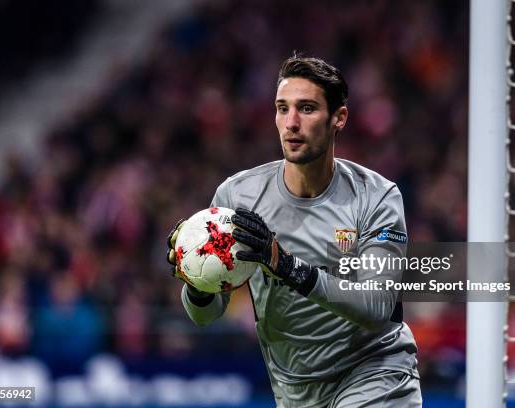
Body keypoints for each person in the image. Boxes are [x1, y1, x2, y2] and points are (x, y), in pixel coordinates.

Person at [167, 55, 421, 407]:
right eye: (282, 109)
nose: (291, 123)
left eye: (306, 108)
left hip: (375, 371)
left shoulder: (376, 197)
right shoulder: (238, 197)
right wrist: (196, 281)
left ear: (339, 118)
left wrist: (287, 267)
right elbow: (205, 316)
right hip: (295, 390)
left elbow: (378, 307)